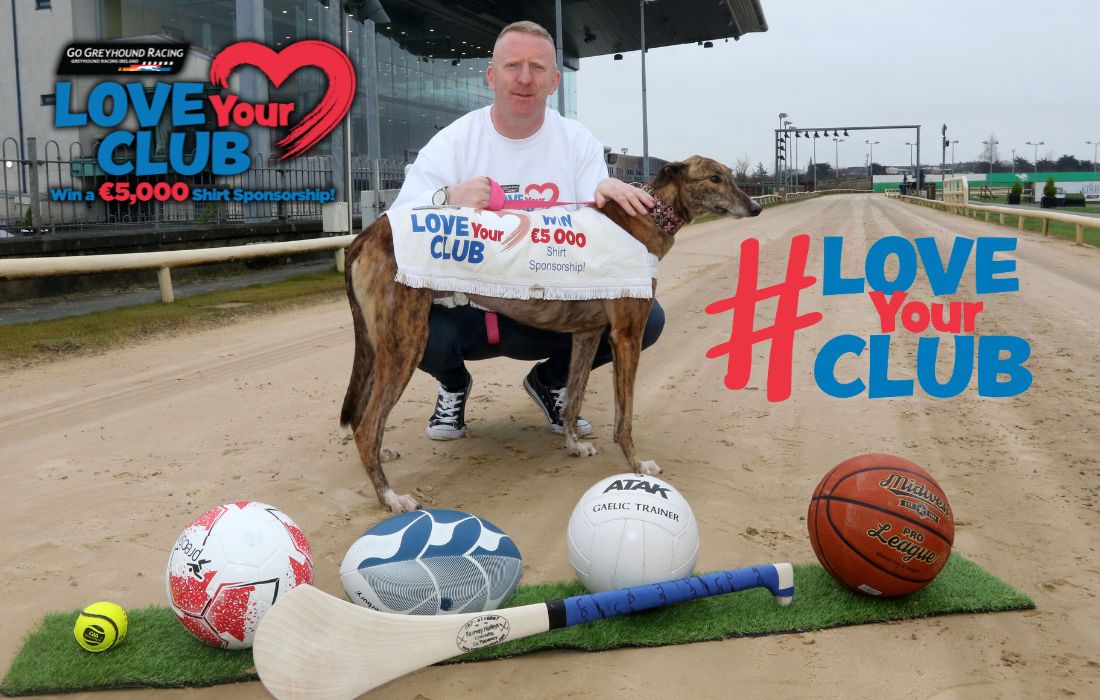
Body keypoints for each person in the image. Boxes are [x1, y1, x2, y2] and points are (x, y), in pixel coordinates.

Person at [389, 20, 664, 441]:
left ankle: (552, 381)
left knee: (646, 318)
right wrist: (448, 198)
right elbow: (399, 223)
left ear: (554, 81)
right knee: (402, 321)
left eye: (537, 68)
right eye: (512, 65)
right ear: (490, 75)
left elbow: (602, 233)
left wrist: (609, 198)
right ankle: (453, 385)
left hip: (547, 311)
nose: (523, 78)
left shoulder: (577, 143)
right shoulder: (454, 141)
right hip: (467, 312)